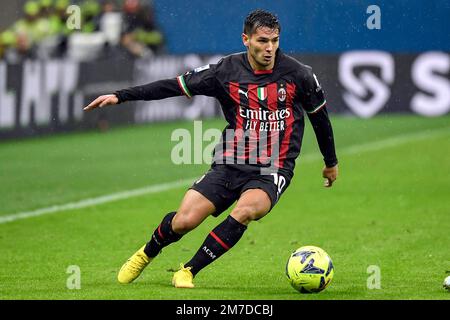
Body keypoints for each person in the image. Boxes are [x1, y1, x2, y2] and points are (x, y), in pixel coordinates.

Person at [84, 9, 338, 288]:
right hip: (231, 160)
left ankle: (188, 270)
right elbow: (174, 86)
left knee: (246, 211)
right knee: (184, 221)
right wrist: (121, 96)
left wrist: (330, 162)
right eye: (262, 41)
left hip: (273, 166)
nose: (270, 48)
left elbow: (320, 118)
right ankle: (146, 253)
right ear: (246, 39)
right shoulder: (225, 71)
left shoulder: (298, 74)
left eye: (275, 41)